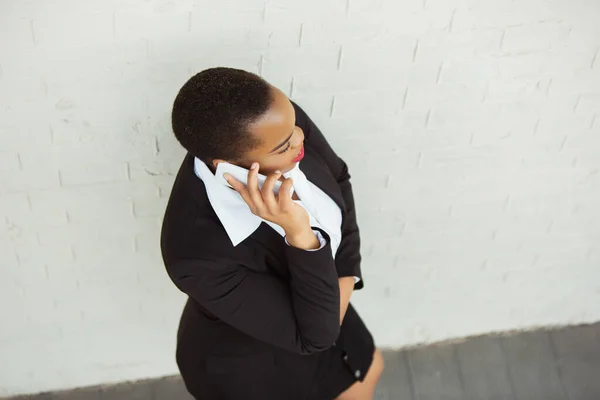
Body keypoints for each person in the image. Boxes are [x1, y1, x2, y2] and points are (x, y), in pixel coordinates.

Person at [161, 67, 383, 399]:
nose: (301, 137)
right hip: (253, 368)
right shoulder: (193, 254)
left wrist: (343, 279)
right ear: (227, 164)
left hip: (324, 301)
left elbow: (339, 178)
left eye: (295, 124)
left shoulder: (279, 125)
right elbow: (314, 338)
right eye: (284, 146)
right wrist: (300, 234)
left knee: (370, 368)